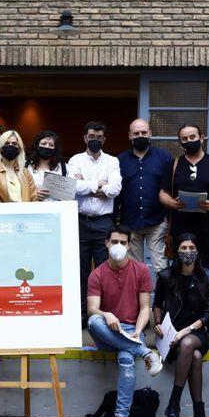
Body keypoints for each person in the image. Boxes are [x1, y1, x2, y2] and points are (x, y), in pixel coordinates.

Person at [85, 225, 163, 417]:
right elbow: (92, 308)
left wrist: (138, 332)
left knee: (126, 360)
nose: (118, 246)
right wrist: (106, 314)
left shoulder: (141, 270)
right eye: (114, 242)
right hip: (107, 332)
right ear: (106, 243)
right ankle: (146, 353)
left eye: (122, 242)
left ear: (129, 245)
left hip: (131, 331)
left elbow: (145, 308)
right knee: (93, 321)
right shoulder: (97, 274)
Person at [152, 234, 209, 417]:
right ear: (177, 251)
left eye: (191, 247)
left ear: (197, 250)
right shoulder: (165, 276)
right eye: (183, 248)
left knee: (188, 343)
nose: (188, 252)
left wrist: (186, 331)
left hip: (198, 332)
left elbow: (208, 314)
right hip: (171, 334)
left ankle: (174, 403)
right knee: (195, 357)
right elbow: (157, 304)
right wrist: (158, 323)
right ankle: (199, 414)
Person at [160, 124, 209, 298]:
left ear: (202, 138)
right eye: (184, 139)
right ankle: (183, 312)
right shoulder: (173, 165)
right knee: (181, 271)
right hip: (181, 229)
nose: (189, 141)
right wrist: (171, 203)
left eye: (192, 137)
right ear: (180, 143)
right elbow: (162, 193)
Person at [68, 121, 122, 316]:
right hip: (80, 222)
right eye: (92, 137)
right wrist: (99, 185)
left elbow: (115, 189)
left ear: (104, 139)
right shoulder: (75, 160)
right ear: (85, 138)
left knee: (104, 271)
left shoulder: (112, 161)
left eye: (99, 137)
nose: (95, 140)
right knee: (80, 270)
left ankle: (102, 314)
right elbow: (72, 187)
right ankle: (82, 313)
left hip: (104, 224)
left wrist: (86, 186)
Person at [117, 119, 172, 275]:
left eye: (143, 133)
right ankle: (138, 300)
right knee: (134, 270)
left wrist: (170, 219)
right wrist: (116, 222)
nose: (140, 136)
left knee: (162, 268)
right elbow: (117, 193)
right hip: (130, 222)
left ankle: (162, 299)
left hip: (157, 221)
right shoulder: (120, 160)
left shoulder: (164, 157)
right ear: (129, 136)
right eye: (136, 133)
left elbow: (170, 188)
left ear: (150, 134)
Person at [0, 130, 36, 202]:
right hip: (0, 213)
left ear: (19, 149)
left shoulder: (25, 172)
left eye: (14, 144)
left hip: (24, 213)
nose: (10, 146)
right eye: (6, 143)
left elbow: (33, 198)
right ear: (0, 148)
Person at [26, 129, 68, 198]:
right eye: (43, 143)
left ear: (55, 149)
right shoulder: (26, 165)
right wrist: (33, 192)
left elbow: (69, 191)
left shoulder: (63, 167)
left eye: (51, 145)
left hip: (56, 207)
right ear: (37, 145)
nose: (47, 147)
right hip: (32, 206)